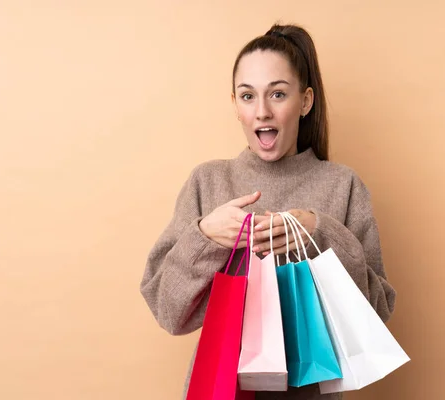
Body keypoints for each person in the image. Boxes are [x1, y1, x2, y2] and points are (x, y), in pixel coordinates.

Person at [140, 23, 397, 400]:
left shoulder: (342, 186)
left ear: (305, 102)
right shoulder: (208, 182)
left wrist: (318, 231)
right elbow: (168, 312)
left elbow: (377, 311)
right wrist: (205, 237)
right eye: (247, 96)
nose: (262, 111)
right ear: (235, 106)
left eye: (277, 94)